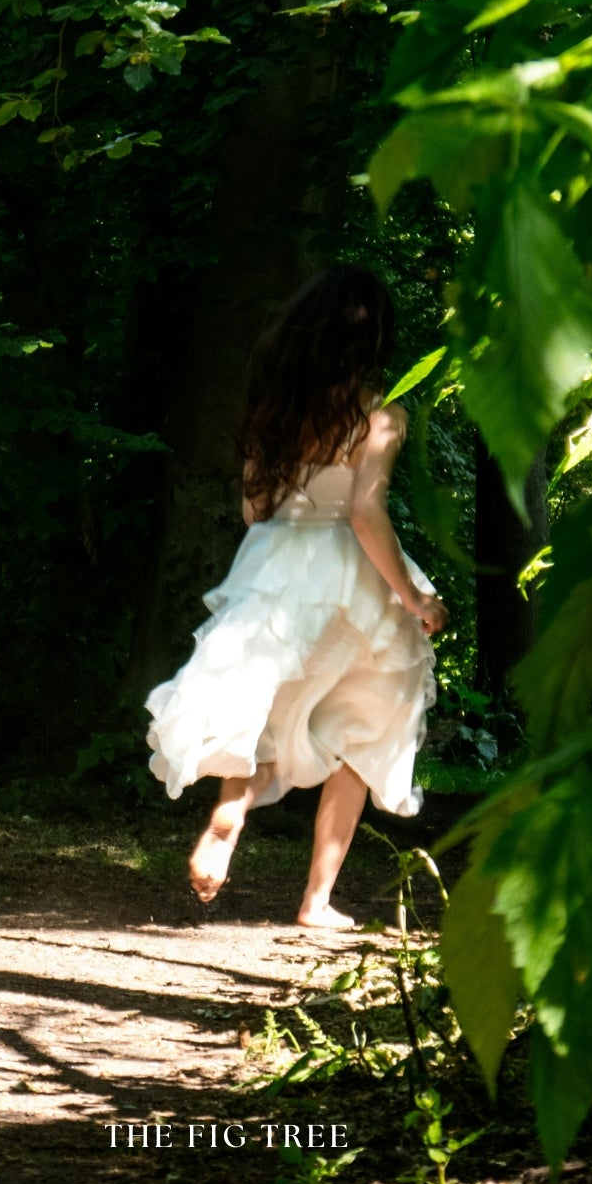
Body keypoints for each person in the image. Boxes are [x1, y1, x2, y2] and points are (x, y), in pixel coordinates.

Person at [145, 266, 447, 929]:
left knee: (266, 707)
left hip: (276, 558)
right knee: (363, 727)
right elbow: (367, 516)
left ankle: (230, 813)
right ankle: (316, 901)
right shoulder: (379, 416)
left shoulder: (272, 408)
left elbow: (255, 507)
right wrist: (414, 598)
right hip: (349, 567)